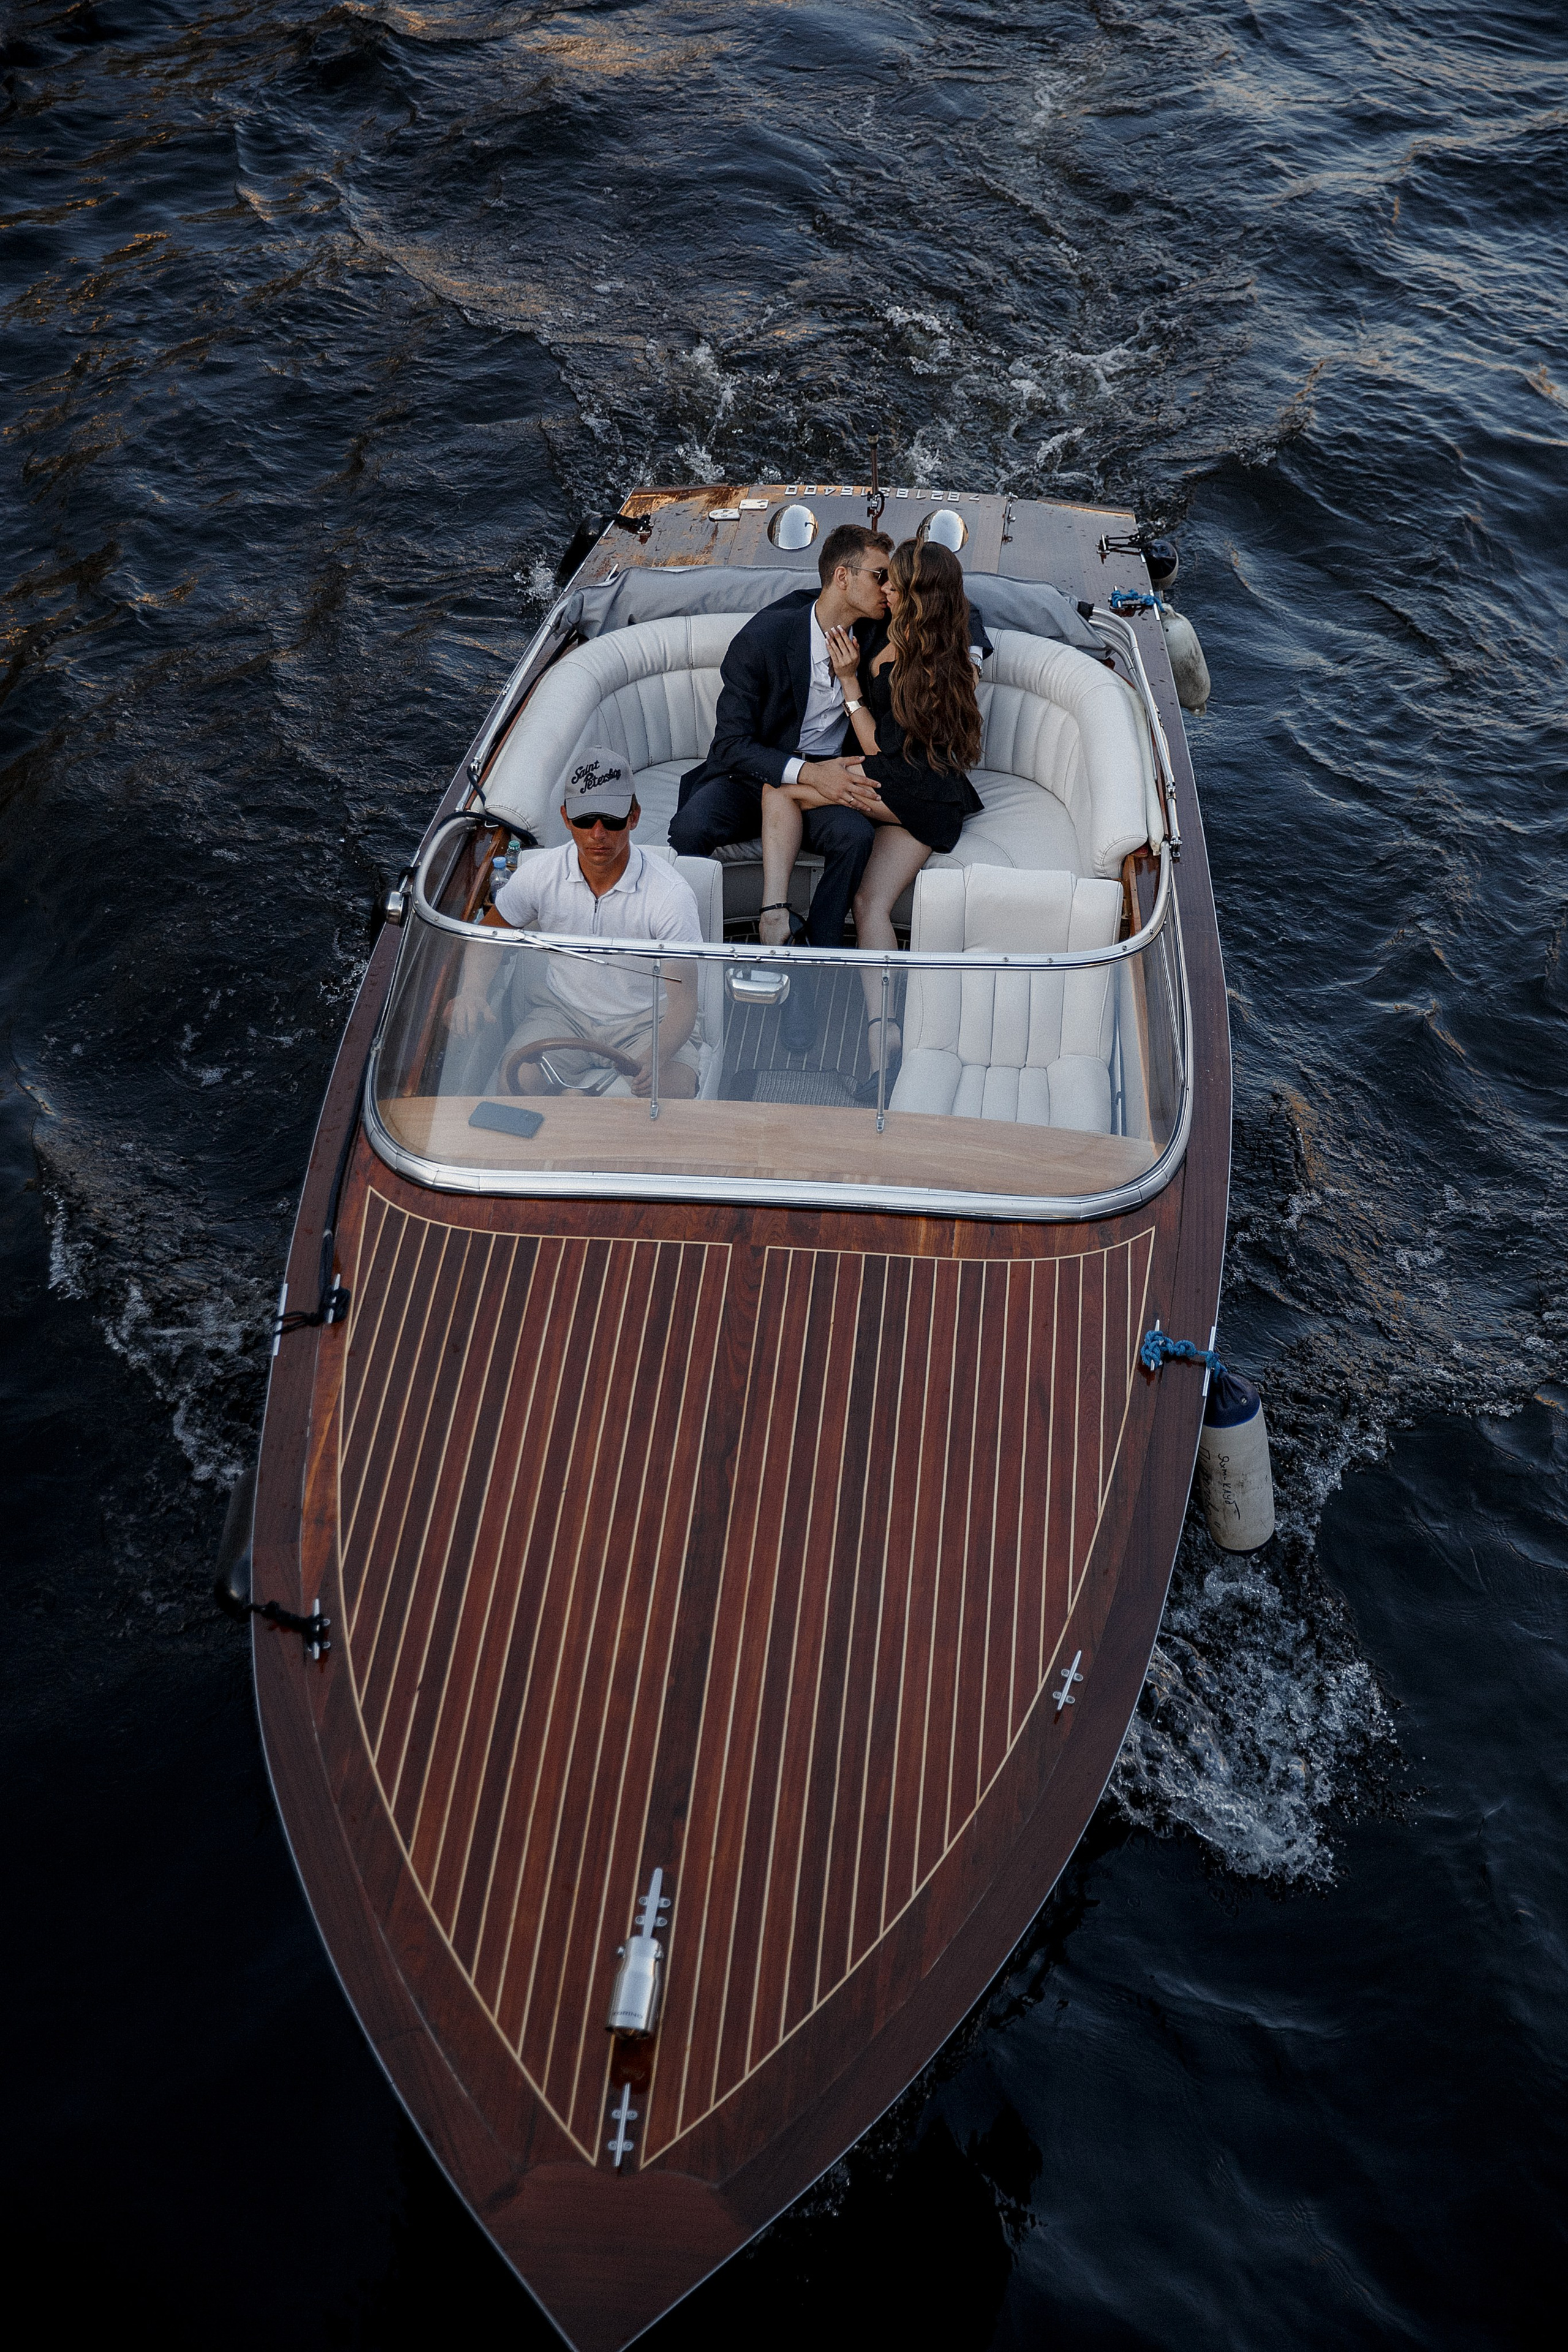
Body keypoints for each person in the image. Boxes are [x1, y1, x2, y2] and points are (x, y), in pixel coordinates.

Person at [758, 536, 985, 1068]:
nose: (886, 591)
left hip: (907, 791)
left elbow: (878, 749)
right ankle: (884, 1034)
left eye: (895, 584)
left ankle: (773, 918)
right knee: (870, 904)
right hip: (935, 797)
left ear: (917, 596)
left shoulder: (920, 665)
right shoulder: (934, 643)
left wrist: (848, 683)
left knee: (778, 787)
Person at [669, 522, 894, 1047]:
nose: (889, 589)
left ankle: (807, 967)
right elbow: (731, 745)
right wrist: (808, 773)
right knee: (689, 829)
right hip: (751, 777)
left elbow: (959, 609)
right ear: (843, 577)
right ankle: (691, 979)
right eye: (880, 576)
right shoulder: (764, 638)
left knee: (855, 837)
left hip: (823, 787)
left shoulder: (877, 631)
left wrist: (973, 655)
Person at [447, 748, 703, 1099]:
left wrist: (654, 1058)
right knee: (514, 1082)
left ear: (634, 817)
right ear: (566, 819)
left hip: (650, 1020)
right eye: (585, 819)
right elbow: (489, 937)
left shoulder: (671, 895)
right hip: (562, 1014)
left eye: (611, 819)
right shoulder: (538, 876)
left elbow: (684, 1003)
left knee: (674, 1092)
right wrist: (473, 992)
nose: (598, 833)